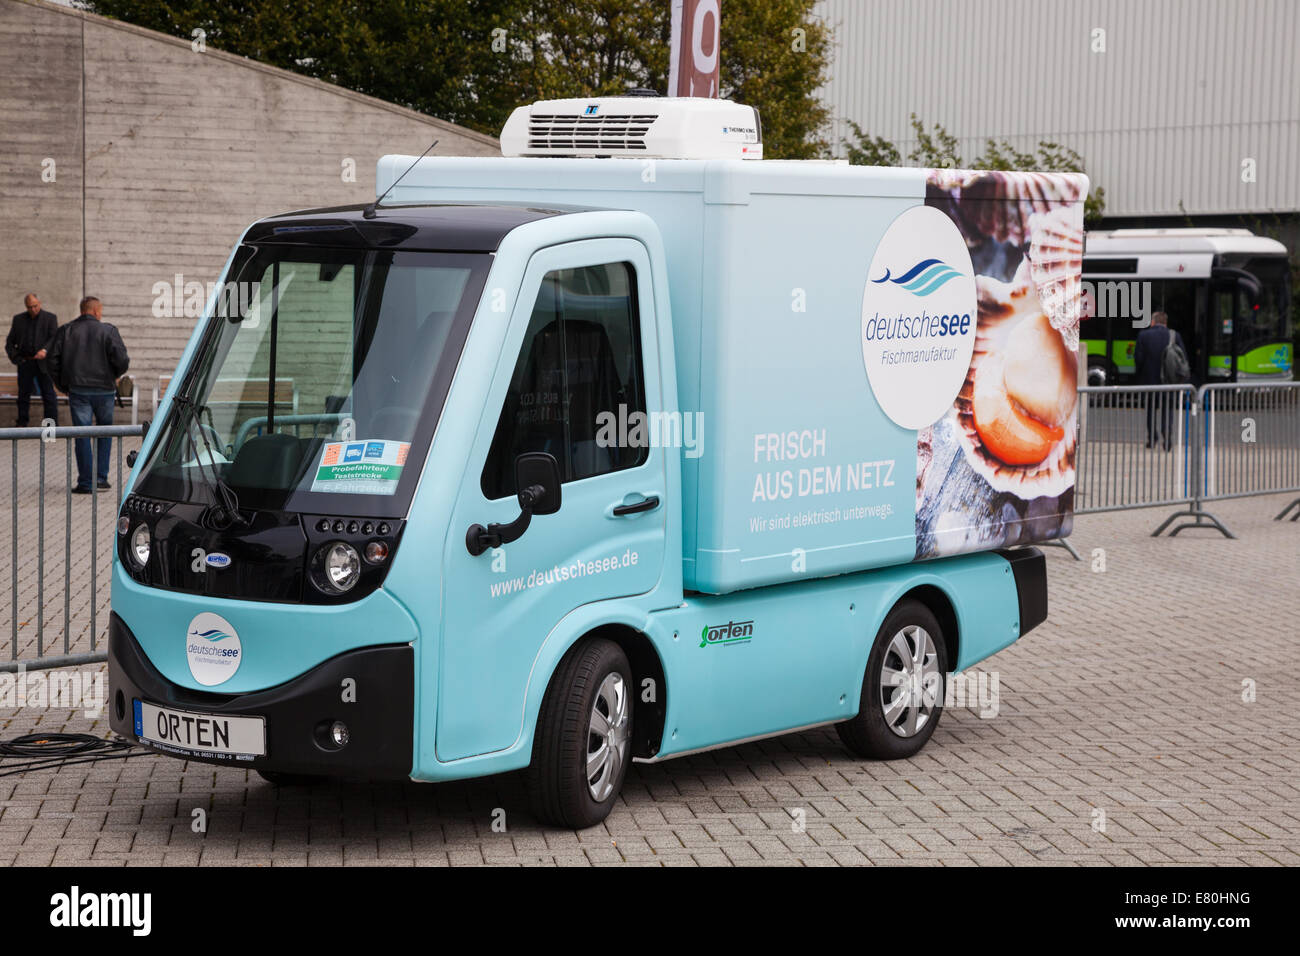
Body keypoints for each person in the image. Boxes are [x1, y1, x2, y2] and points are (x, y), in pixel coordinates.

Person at [45, 296, 130, 494]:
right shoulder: (108, 330)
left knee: (82, 435)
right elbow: (122, 360)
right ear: (94, 310)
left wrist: (63, 385)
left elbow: (51, 360)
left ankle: (85, 481)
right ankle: (101, 478)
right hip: (105, 390)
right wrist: (113, 376)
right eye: (100, 310)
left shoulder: (66, 330)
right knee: (105, 432)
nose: (101, 313)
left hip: (78, 390)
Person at [1134, 310, 1188, 451]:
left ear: (1153, 322)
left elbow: (1138, 360)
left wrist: (1140, 375)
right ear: (1165, 322)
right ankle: (1167, 439)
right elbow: (1183, 359)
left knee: (1151, 410)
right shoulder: (1175, 336)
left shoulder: (1143, 336)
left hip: (1150, 381)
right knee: (1168, 410)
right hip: (1169, 382)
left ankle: (1152, 439)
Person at [5, 293, 59, 426]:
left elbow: (54, 339)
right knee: (23, 396)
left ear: (39, 303)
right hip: (25, 362)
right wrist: (17, 359)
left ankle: (50, 427)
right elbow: (10, 342)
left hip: (43, 364)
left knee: (49, 396)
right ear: (26, 306)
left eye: (35, 306)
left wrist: (45, 351)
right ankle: (22, 424)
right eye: (30, 307)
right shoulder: (18, 319)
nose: (33, 309)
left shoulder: (50, 318)